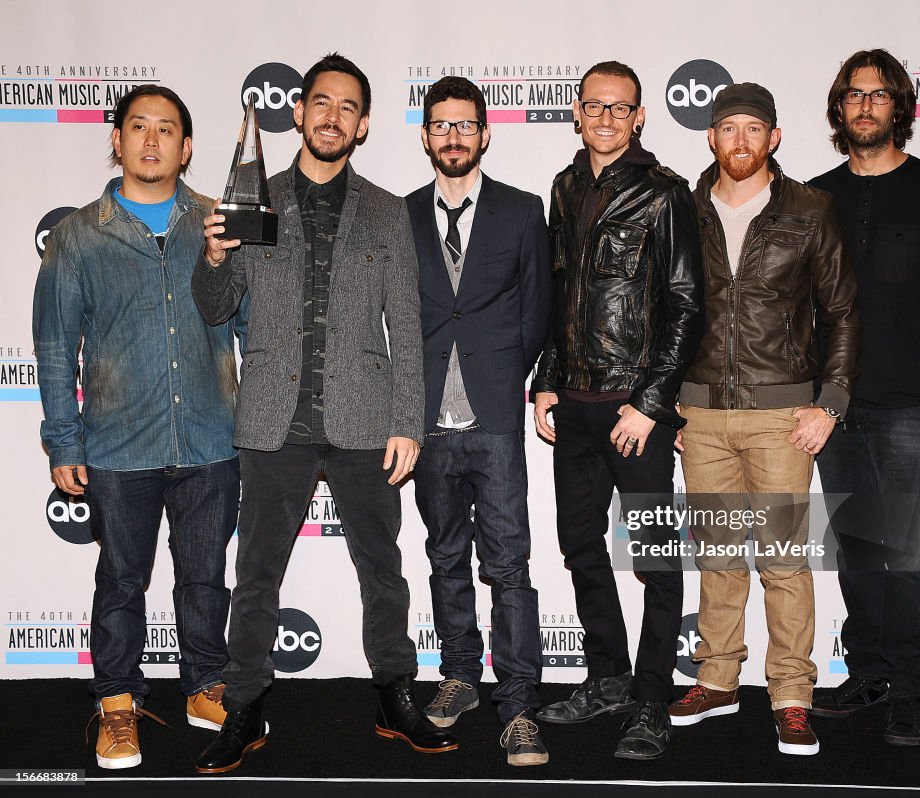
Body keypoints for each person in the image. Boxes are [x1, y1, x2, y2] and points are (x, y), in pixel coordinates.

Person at [191, 53, 457, 774]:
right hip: (274, 417)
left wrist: (408, 420)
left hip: (366, 419)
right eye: (321, 103)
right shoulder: (255, 200)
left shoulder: (386, 209)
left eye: (347, 107)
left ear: (363, 124)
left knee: (383, 569)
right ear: (299, 112)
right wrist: (214, 258)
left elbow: (406, 321)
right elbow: (216, 310)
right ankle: (245, 705)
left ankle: (395, 694)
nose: (332, 116)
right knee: (255, 576)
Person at [32, 84, 240, 769]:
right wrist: (63, 438)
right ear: (116, 140)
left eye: (167, 129)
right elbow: (58, 346)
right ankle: (117, 703)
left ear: (187, 146)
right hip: (120, 443)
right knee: (122, 579)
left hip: (211, 436)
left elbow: (249, 330)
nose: (152, 141)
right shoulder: (77, 236)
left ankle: (204, 684)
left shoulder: (216, 222)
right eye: (138, 127)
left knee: (205, 577)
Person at [670, 82, 859, 757]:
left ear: (773, 138)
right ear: (712, 138)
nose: (741, 141)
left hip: (783, 415)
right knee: (719, 559)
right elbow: (667, 312)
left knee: (782, 563)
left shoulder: (811, 209)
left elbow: (840, 312)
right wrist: (673, 407)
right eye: (729, 129)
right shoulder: (682, 210)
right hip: (704, 417)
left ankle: (791, 696)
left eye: (755, 128)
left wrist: (830, 401)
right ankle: (717, 680)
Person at [809, 49, 920, 747]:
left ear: (899, 107)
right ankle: (872, 671)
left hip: (912, 402)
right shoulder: (815, 195)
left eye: (878, 96)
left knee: (909, 548)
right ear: (839, 107)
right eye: (853, 95)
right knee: (856, 546)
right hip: (834, 407)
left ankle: (912, 687)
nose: (864, 106)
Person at [532, 61, 704, 760]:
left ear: (638, 117)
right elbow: (556, 293)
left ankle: (651, 700)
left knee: (656, 562)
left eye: (620, 108)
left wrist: (652, 406)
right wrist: (546, 378)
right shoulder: (565, 186)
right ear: (576, 112)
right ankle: (606, 678)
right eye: (594, 106)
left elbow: (689, 306)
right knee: (580, 550)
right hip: (573, 408)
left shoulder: (665, 195)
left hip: (637, 414)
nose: (605, 118)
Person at [406, 76, 552, 766]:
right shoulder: (399, 216)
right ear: (427, 135)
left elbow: (538, 313)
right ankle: (461, 675)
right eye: (441, 125)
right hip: (425, 423)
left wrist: (504, 377)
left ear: (484, 134)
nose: (454, 136)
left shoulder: (522, 212)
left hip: (494, 417)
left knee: (509, 564)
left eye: (465, 125)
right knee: (442, 556)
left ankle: (519, 704)